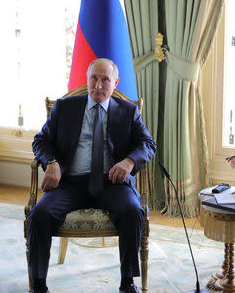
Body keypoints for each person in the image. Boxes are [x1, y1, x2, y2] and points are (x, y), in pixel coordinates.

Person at [29, 58, 156, 293]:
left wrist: (129, 162)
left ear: (115, 83)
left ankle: (127, 282)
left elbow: (148, 144)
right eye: (93, 79)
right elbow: (41, 141)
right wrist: (52, 162)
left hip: (113, 183)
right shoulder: (65, 107)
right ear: (86, 80)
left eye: (105, 79)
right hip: (70, 183)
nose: (98, 85)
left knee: (132, 211)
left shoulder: (129, 111)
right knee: (40, 213)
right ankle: (38, 284)